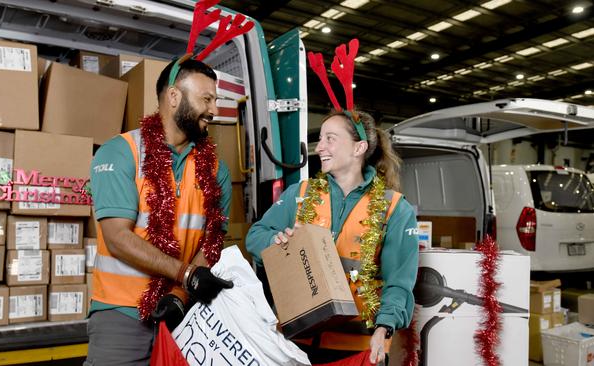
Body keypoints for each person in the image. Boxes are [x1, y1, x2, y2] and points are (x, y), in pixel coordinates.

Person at [85, 58, 234, 366]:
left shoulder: (217, 170)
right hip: (121, 315)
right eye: (207, 99)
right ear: (174, 97)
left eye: (215, 100)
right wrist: (187, 274)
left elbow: (212, 240)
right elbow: (117, 238)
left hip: (185, 315)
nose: (214, 110)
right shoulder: (121, 151)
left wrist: (180, 294)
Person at [246, 110, 419, 365]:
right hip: (296, 344)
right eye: (321, 139)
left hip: (357, 349)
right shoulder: (301, 193)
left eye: (330, 138)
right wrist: (276, 242)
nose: (319, 148)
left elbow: (399, 282)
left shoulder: (393, 208)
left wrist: (384, 327)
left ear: (358, 147)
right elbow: (255, 236)